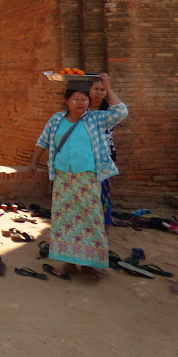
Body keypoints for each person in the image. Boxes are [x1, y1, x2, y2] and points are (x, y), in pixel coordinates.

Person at [29, 73, 127, 280]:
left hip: (88, 178)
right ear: (66, 101)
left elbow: (121, 111)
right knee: (65, 221)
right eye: (75, 99)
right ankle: (68, 263)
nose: (80, 103)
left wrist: (107, 85)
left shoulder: (96, 119)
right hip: (64, 178)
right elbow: (43, 141)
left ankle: (89, 264)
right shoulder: (56, 120)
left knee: (90, 220)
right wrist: (32, 163)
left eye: (84, 99)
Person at [89, 78, 118, 230]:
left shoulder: (109, 111)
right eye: (96, 89)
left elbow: (121, 109)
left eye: (102, 90)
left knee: (103, 194)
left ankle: (104, 229)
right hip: (84, 157)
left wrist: (108, 85)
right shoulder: (81, 110)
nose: (99, 93)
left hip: (104, 157)